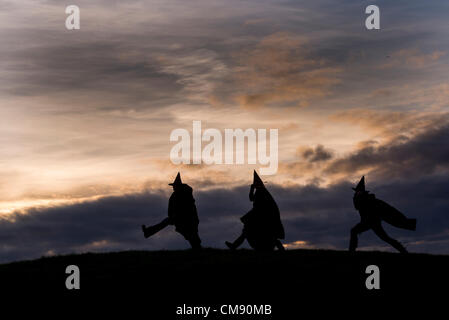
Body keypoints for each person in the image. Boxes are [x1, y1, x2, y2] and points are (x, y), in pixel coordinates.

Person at [349, 176, 416, 253]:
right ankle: (403, 250)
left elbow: (383, 208)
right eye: (356, 192)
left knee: (355, 231)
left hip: (372, 222)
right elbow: (357, 207)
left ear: (362, 192)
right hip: (370, 222)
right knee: (385, 238)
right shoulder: (360, 200)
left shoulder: (369, 200)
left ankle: (351, 251)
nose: (356, 193)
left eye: (358, 191)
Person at [226, 170, 285, 251]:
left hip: (261, 216)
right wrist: (251, 189)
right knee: (247, 231)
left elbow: (263, 207)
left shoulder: (263, 192)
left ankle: (234, 246)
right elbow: (251, 199)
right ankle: (234, 246)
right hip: (256, 215)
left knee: (266, 233)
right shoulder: (258, 192)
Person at [142, 172, 202, 249]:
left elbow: (188, 209)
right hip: (180, 219)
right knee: (189, 234)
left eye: (175, 186)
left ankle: (197, 248)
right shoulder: (174, 196)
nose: (173, 188)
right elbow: (170, 209)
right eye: (173, 186)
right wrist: (173, 216)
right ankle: (148, 231)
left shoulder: (185, 195)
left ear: (179, 187)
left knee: (191, 235)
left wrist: (175, 216)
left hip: (188, 219)